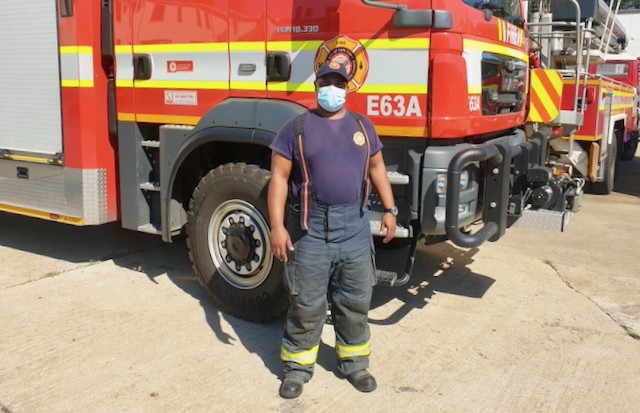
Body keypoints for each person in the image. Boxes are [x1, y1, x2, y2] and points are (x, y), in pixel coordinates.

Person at [268, 61, 398, 399]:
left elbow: (377, 166)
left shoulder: (362, 126)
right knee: (306, 303)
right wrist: (277, 227)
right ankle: (297, 369)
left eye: (338, 82)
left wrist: (389, 209)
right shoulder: (295, 127)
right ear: (315, 86)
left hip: (354, 226)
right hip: (309, 230)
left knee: (355, 299)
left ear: (347, 87)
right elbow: (279, 179)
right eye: (325, 81)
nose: (332, 88)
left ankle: (354, 363)